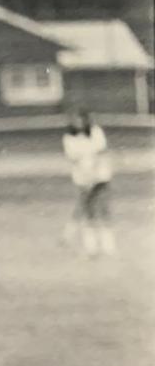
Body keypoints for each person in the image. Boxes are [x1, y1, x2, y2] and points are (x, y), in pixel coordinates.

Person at [61, 109, 115, 257]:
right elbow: (73, 158)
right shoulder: (68, 138)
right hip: (82, 178)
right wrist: (86, 177)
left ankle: (108, 247)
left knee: (104, 210)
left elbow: (101, 152)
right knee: (87, 212)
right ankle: (91, 247)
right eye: (75, 120)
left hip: (101, 176)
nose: (78, 123)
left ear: (86, 120)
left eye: (81, 120)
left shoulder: (96, 132)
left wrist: (94, 174)